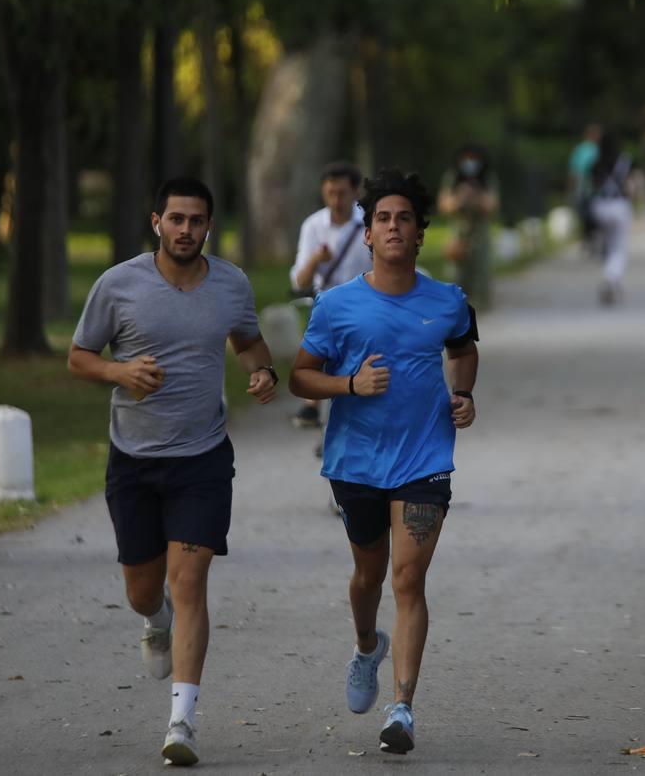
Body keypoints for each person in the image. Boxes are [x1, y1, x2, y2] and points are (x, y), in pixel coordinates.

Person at [67, 176, 279, 766]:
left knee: (190, 582)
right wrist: (120, 372)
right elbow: (79, 357)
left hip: (202, 458)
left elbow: (250, 344)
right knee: (144, 590)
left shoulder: (231, 284)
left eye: (198, 220)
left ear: (209, 225)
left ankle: (181, 722)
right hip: (133, 460)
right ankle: (152, 620)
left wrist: (262, 373)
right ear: (156, 220)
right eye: (177, 219)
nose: (187, 230)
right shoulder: (119, 285)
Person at [289, 168, 480, 755]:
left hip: (424, 458)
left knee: (407, 578)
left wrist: (464, 394)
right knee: (369, 576)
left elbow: (464, 349)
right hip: (357, 463)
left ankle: (402, 708)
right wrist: (350, 385)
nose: (394, 227)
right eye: (383, 219)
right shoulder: (336, 305)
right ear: (367, 234)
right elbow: (299, 377)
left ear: (421, 232)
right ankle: (366, 646)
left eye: (404, 219)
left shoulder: (448, 301)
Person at [289, 161, 372, 430]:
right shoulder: (313, 226)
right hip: (326, 304)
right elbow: (299, 280)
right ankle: (314, 407)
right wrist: (316, 258)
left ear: (355, 192)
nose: (336, 200)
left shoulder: (369, 222)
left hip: (365, 303)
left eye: (342, 193)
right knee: (317, 357)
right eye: (330, 193)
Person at [437, 144, 499, 310]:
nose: (470, 163)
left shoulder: (487, 178)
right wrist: (460, 197)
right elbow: (444, 206)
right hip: (458, 236)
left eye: (474, 159)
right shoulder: (453, 177)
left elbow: (492, 206)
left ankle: (480, 311)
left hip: (480, 238)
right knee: (456, 278)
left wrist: (477, 196)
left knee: (481, 279)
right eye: (467, 158)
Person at [588, 134, 634, 306]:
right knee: (619, 248)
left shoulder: (596, 163)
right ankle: (611, 277)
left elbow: (591, 185)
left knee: (607, 246)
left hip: (600, 207)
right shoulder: (624, 161)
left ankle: (614, 279)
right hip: (619, 206)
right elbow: (630, 186)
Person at [567, 124, 602, 255]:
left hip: (594, 189)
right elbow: (574, 171)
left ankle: (591, 238)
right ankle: (588, 238)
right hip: (584, 187)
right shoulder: (582, 150)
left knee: (591, 215)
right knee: (585, 214)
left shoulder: (597, 149)